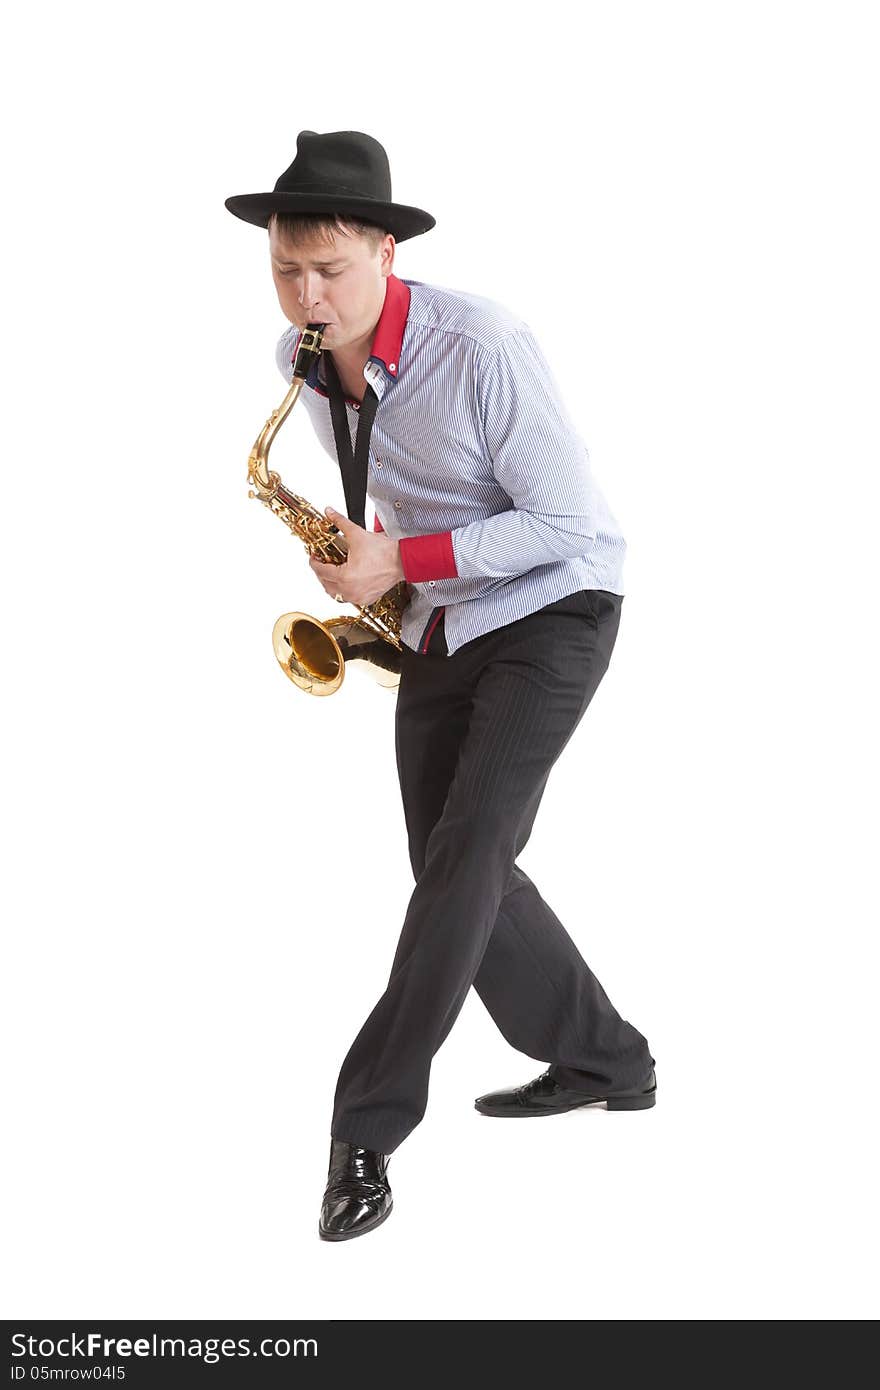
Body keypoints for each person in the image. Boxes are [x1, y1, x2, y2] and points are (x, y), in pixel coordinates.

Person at [226, 130, 656, 1243]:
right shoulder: (300, 361)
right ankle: (607, 1058)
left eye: (330, 268)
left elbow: (574, 524)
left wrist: (403, 563)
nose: (306, 294)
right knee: (456, 862)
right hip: (439, 620)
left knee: (463, 859)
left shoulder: (486, 344)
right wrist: (357, 555)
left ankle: (362, 1126)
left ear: (383, 248)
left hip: (552, 611)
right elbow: (399, 500)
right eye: (286, 268)